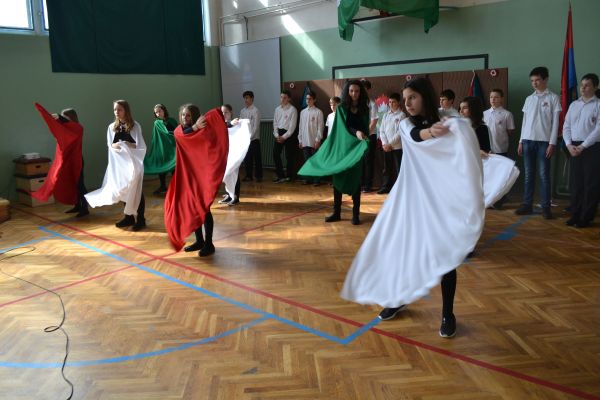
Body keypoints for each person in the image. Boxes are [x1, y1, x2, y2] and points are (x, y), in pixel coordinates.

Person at [341, 77, 485, 339]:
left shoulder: (447, 117)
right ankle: (398, 299)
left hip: (440, 200)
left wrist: (469, 144)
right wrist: (433, 132)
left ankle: (448, 314)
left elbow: (462, 134)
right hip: (412, 198)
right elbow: (416, 136)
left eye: (412, 98)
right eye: (405, 99)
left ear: (424, 96)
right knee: (405, 252)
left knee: (446, 257)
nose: (407, 103)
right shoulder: (406, 123)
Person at [298, 79, 370, 225]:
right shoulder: (342, 108)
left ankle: (355, 214)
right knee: (338, 178)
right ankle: (336, 212)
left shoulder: (364, 109)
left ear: (361, 92)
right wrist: (356, 132)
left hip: (355, 149)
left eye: (357, 91)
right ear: (347, 92)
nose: (354, 94)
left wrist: (362, 137)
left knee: (355, 179)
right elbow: (342, 128)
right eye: (351, 91)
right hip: (342, 148)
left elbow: (365, 129)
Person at [164, 104, 228, 257]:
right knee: (193, 208)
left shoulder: (203, 130)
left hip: (201, 176)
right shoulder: (179, 130)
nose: (185, 118)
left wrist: (205, 124)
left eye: (188, 115)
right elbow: (182, 135)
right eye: (183, 115)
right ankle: (199, 240)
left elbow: (212, 140)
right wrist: (195, 127)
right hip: (187, 177)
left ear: (194, 116)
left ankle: (209, 244)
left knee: (203, 208)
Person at [85, 100, 147, 231]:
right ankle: (128, 217)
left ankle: (141, 219)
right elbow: (110, 145)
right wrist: (117, 145)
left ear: (126, 111)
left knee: (136, 191)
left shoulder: (135, 126)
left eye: (119, 109)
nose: (116, 112)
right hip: (120, 165)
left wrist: (127, 144)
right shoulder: (112, 127)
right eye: (115, 109)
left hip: (133, 164)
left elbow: (140, 145)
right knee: (123, 190)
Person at [515, 66, 561, 219]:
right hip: (527, 141)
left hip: (544, 143)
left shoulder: (553, 98)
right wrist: (521, 141)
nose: (534, 83)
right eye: (532, 81)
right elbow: (525, 122)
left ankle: (546, 207)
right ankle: (527, 204)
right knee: (529, 175)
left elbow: (555, 123)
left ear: (545, 79)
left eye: (537, 80)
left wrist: (552, 143)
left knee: (543, 175)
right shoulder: (529, 99)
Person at [32, 103, 89, 217]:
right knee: (72, 184)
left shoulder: (78, 128)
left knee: (80, 185)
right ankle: (77, 205)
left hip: (76, 161)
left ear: (71, 118)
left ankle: (85, 208)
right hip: (68, 160)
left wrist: (60, 117)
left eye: (66, 117)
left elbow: (73, 128)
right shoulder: (66, 129)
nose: (64, 120)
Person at [562, 73, 600, 228]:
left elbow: (598, 129)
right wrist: (568, 145)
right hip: (573, 147)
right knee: (576, 183)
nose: (583, 88)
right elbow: (566, 126)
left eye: (587, 85)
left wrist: (583, 146)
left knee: (590, 184)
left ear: (595, 87)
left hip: (591, 147)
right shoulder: (574, 105)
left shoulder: (598, 104)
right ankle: (575, 214)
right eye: (582, 85)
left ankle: (586, 217)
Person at [144, 104, 178, 195]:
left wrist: (177, 134)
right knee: (162, 166)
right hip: (162, 148)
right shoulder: (157, 123)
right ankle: (163, 186)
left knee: (174, 167)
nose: (158, 113)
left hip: (173, 147)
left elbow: (178, 130)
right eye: (156, 112)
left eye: (160, 111)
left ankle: (176, 187)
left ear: (164, 111)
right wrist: (174, 133)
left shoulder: (172, 120)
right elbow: (165, 133)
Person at [219, 103, 248, 206]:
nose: (224, 114)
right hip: (224, 153)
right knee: (226, 175)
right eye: (222, 112)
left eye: (226, 112)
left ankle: (235, 196)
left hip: (233, 153)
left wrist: (237, 123)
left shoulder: (235, 123)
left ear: (231, 112)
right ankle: (229, 195)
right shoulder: (221, 124)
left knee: (233, 174)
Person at [377, 93, 405, 194]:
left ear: (398, 103)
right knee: (387, 168)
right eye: (389, 102)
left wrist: (390, 144)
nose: (391, 104)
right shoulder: (386, 115)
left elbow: (400, 132)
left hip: (397, 147)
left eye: (393, 102)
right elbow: (381, 130)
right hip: (386, 147)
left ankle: (400, 189)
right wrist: (385, 143)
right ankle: (386, 187)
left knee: (399, 168)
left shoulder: (401, 115)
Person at [298, 90, 324, 185]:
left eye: (310, 99)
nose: (308, 100)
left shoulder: (318, 112)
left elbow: (320, 127)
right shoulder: (302, 112)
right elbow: (300, 127)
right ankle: (308, 179)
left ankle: (317, 180)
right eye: (307, 99)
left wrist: (318, 140)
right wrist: (300, 140)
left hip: (314, 141)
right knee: (307, 162)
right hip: (305, 141)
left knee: (315, 161)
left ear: (314, 100)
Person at [272, 90, 298, 183]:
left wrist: (284, 137)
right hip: (279, 133)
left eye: (285, 97)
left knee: (289, 156)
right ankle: (280, 175)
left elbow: (292, 127)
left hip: (288, 134)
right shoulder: (277, 109)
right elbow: (275, 123)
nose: (282, 99)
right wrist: (276, 135)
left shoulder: (293, 110)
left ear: (289, 99)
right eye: (281, 97)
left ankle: (289, 176)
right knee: (275, 154)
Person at [483, 89, 515, 157]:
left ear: (501, 99)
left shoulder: (507, 114)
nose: (493, 99)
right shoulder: (484, 114)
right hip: (486, 148)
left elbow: (510, 131)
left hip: (500, 148)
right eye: (491, 97)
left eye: (496, 97)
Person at [360, 79, 378, 193]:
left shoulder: (372, 104)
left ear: (368, 89)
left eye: (364, 89)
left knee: (368, 161)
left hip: (369, 136)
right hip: (359, 137)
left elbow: (374, 121)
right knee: (360, 161)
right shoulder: (358, 104)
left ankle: (367, 185)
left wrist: (366, 134)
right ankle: (361, 184)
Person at [240, 91, 262, 182]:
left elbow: (256, 126)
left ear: (252, 98)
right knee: (247, 158)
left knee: (257, 158)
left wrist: (250, 137)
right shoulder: (242, 111)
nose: (246, 100)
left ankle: (258, 176)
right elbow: (241, 125)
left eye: (247, 98)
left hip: (254, 139)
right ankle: (248, 175)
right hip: (245, 139)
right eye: (244, 98)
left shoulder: (255, 110)